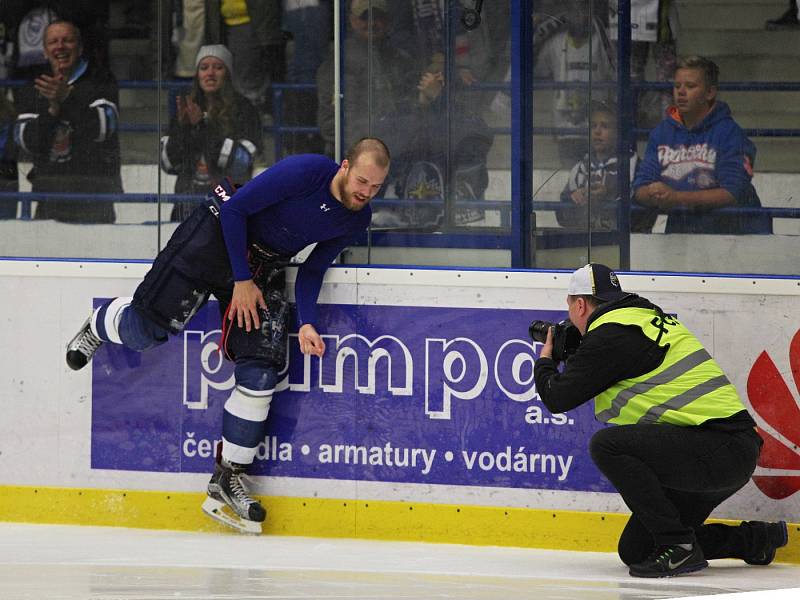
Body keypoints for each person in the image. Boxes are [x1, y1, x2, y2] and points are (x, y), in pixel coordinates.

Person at [65, 138, 390, 534]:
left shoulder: (357, 218)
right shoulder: (306, 171)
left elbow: (313, 268)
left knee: (261, 372)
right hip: (218, 232)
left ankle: (226, 479)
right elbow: (236, 209)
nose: (365, 193)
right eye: (361, 181)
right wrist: (240, 280)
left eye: (375, 187)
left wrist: (306, 321)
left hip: (263, 265)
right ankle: (100, 322)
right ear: (344, 166)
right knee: (144, 331)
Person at [533, 263, 789, 578]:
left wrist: (546, 359)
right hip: (726, 450)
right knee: (637, 550)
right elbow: (615, 363)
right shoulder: (642, 319)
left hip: (717, 449)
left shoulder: (611, 335)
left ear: (580, 304)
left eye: (570, 307)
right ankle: (756, 540)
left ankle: (679, 545)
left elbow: (556, 397)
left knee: (607, 445)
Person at [632, 56, 772, 234]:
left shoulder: (730, 133)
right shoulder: (661, 132)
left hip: (736, 233)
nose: (681, 92)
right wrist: (655, 194)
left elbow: (732, 192)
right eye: (677, 86)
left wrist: (676, 198)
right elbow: (640, 188)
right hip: (683, 231)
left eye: (690, 86)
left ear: (710, 93)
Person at [13, 19, 121, 223]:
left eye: (67, 40)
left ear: (80, 48)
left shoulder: (101, 79)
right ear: (45, 51)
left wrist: (66, 100)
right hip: (48, 197)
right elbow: (27, 142)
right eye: (53, 42)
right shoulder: (34, 85)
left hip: (95, 198)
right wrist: (53, 111)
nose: (60, 46)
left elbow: (104, 129)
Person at [316, 0, 420, 181]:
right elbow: (333, 123)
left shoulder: (401, 60)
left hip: (397, 158)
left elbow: (410, 108)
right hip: (356, 164)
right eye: (365, 17)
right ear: (352, 20)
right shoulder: (341, 60)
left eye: (377, 17)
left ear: (387, 20)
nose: (372, 23)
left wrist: (425, 98)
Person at [160, 44, 262, 222]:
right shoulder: (186, 108)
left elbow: (241, 163)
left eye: (218, 67)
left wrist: (201, 127)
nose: (210, 73)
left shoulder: (245, 109)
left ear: (228, 73)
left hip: (229, 207)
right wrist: (184, 129)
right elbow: (168, 163)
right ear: (197, 74)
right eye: (204, 67)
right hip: (186, 207)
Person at [533, 0, 615, 167]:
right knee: (569, 177)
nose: (578, 16)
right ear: (567, 15)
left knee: (594, 174)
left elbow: (615, 75)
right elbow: (539, 72)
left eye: (583, 10)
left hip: (594, 127)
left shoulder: (603, 43)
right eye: (574, 11)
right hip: (565, 126)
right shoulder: (555, 43)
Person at [557, 101, 656, 233]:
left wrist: (608, 198)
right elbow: (562, 217)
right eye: (593, 126)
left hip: (625, 245)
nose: (597, 131)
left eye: (605, 126)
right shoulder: (579, 169)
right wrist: (574, 199)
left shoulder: (635, 165)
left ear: (619, 132)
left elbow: (644, 215)